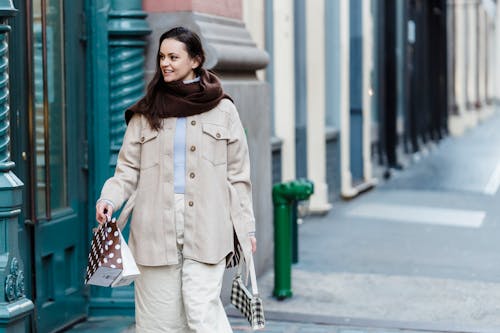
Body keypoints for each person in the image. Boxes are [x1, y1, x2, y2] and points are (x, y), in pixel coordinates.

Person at [95, 26, 257, 332]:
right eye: (161, 57)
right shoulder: (146, 112)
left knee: (202, 313)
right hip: (155, 228)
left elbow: (239, 177)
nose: (165, 63)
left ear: (195, 60)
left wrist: (246, 228)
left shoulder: (223, 110)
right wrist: (108, 199)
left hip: (209, 226)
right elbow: (127, 170)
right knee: (160, 322)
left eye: (173, 56)